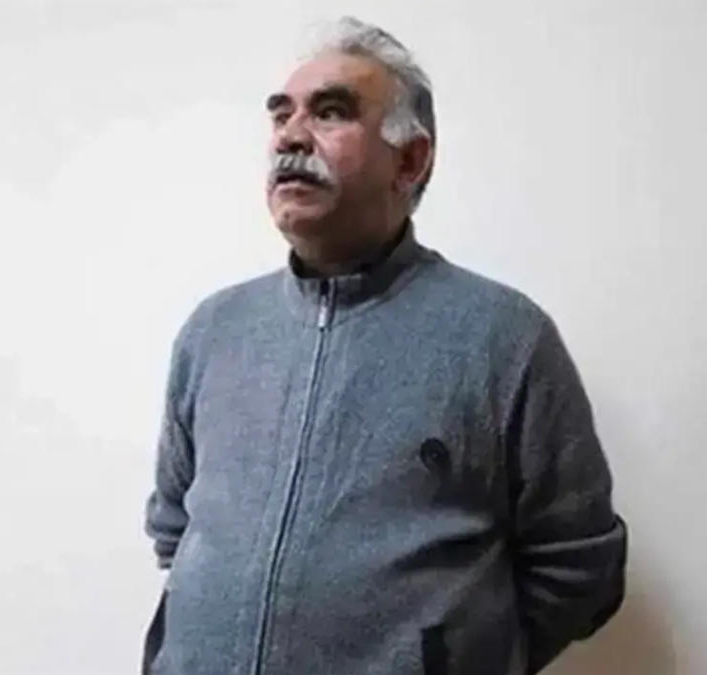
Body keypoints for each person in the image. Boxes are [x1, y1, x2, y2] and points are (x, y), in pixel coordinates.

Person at [141, 16, 628, 675]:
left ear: (411, 160)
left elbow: (578, 566)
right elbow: (175, 529)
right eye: (281, 114)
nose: (289, 136)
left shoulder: (503, 338)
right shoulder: (215, 330)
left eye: (330, 112)